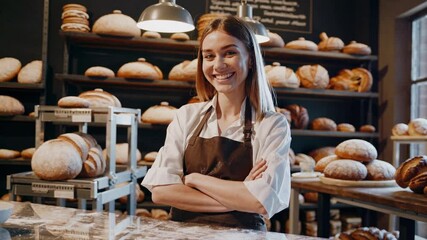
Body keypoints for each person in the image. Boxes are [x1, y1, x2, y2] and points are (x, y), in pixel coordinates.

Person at [141, 15, 291, 231]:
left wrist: (194, 179)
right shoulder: (186, 116)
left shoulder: (271, 124)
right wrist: (239, 195)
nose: (218, 65)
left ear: (250, 58)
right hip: (182, 235)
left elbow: (260, 202)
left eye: (230, 53)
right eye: (209, 56)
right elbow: (161, 191)